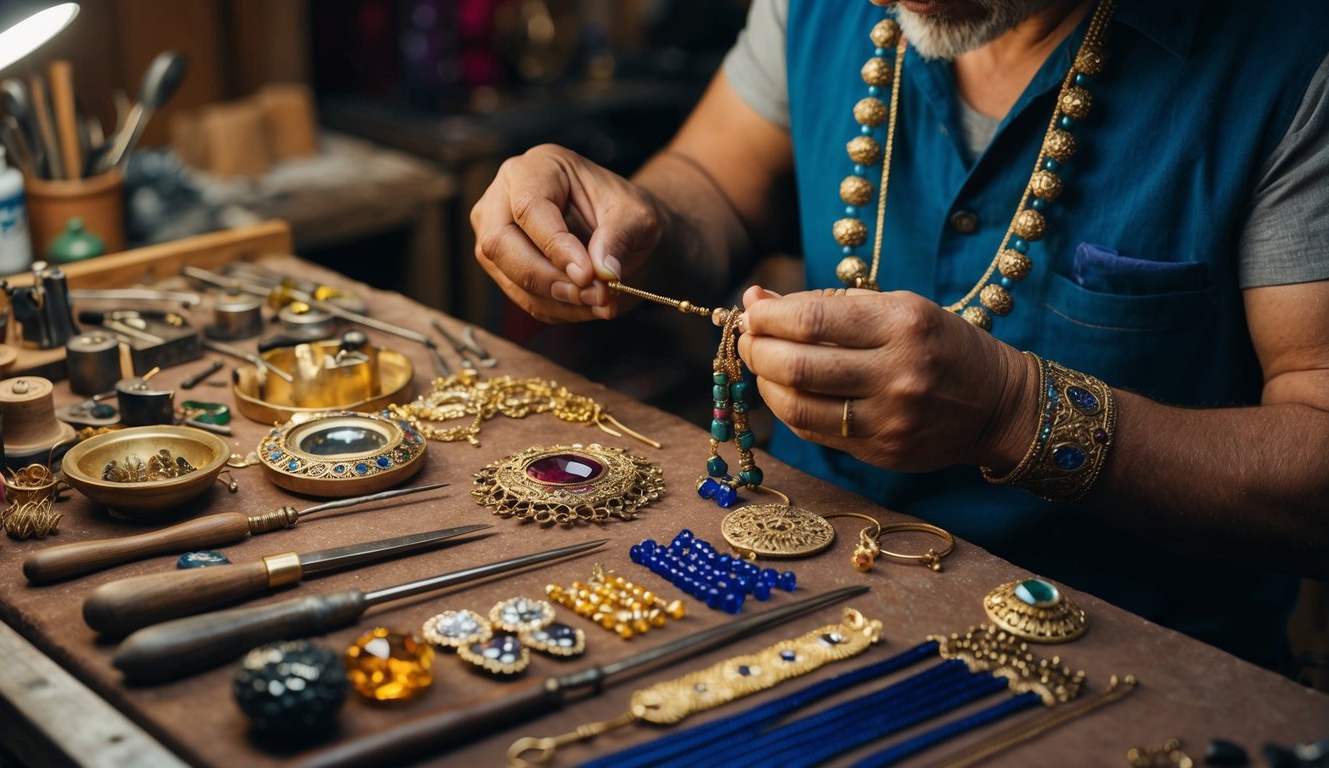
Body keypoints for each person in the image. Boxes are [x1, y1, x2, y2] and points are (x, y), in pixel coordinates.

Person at [470, 0, 1329, 670]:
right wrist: (620, 224)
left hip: (1123, 654)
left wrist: (1013, 414)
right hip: (785, 579)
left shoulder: (1292, 57)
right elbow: (710, 185)